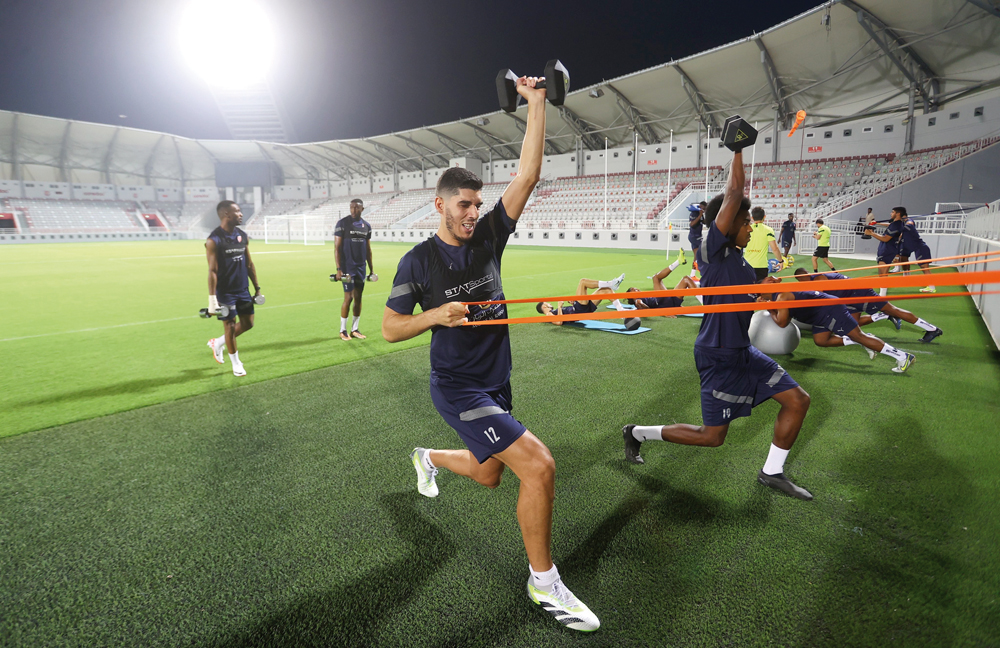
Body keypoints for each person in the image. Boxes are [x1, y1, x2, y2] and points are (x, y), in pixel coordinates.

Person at [382, 76, 599, 632]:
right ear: (440, 204)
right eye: (464, 204)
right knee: (540, 466)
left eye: (478, 203)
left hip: (496, 380)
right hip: (456, 386)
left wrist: (537, 103)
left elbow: (528, 174)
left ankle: (428, 457)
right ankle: (544, 583)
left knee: (487, 476)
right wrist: (435, 315)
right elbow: (389, 328)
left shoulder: (488, 239)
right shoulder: (417, 262)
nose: (473, 212)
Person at [621, 145, 814, 501]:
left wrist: (760, 290)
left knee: (798, 400)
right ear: (726, 226)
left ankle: (772, 472)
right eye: (744, 224)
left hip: (742, 351)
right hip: (718, 355)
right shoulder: (711, 249)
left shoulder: (739, 261)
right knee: (713, 437)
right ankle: (637, 433)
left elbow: (736, 298)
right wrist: (739, 149)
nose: (749, 230)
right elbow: (734, 193)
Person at [761, 286, 916, 373]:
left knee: (859, 336)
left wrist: (768, 308)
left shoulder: (781, 296)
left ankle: (903, 356)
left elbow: (781, 323)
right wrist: (771, 306)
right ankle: (861, 339)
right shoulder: (778, 296)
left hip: (829, 310)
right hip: (819, 315)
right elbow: (786, 318)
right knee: (821, 340)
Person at [792, 268, 943, 343]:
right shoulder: (814, 278)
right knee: (853, 324)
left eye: (801, 281)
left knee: (893, 310)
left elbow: (820, 294)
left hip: (859, 293)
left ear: (803, 276)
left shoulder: (818, 278)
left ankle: (933, 329)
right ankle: (882, 315)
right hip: (849, 298)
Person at [205, 200, 261, 377]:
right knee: (229, 326)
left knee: (248, 324)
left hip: (243, 289)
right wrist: (212, 299)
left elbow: (250, 264)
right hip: (225, 293)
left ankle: (218, 342)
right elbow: (212, 271)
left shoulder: (242, 236)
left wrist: (257, 288)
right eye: (237, 211)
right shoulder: (214, 240)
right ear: (226, 214)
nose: (241, 214)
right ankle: (236, 363)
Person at [334, 199, 374, 340]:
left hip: (361, 268)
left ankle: (355, 329)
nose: (353, 210)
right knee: (349, 297)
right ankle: (342, 330)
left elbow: (368, 249)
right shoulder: (342, 224)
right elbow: (337, 248)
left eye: (356, 208)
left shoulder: (366, 226)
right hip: (347, 268)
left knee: (358, 298)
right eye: (351, 207)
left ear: (362, 209)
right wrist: (339, 269)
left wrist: (371, 270)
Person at [624, 250, 701, 312]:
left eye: (636, 288)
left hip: (670, 300)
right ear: (632, 296)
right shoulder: (638, 301)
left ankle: (703, 301)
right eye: (634, 290)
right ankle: (678, 262)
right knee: (656, 278)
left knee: (686, 279)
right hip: (662, 302)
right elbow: (646, 309)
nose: (637, 289)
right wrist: (663, 312)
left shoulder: (644, 296)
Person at [535, 273, 626, 323]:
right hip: (579, 310)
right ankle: (611, 283)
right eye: (547, 303)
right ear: (544, 307)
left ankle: (621, 311)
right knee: (582, 282)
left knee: (606, 290)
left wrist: (573, 303)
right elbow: (559, 322)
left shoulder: (553, 312)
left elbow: (567, 313)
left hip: (580, 308)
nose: (549, 303)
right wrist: (559, 307)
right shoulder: (548, 315)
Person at [864, 208, 905, 297]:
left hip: (887, 249)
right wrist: (877, 223)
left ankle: (882, 295)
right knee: (882, 273)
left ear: (898, 214)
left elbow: (886, 239)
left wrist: (872, 234)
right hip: (888, 249)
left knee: (883, 273)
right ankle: (882, 294)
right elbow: (889, 225)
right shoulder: (897, 224)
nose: (891, 213)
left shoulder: (896, 225)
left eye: (893, 212)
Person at [897, 208, 936, 293]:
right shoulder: (904, 225)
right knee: (924, 268)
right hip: (918, 249)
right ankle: (931, 286)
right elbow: (893, 226)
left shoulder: (909, 222)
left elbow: (910, 224)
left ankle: (932, 287)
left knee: (925, 268)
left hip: (921, 248)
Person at [746, 207, 784, 282]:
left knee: (748, 290)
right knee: (761, 291)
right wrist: (780, 261)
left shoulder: (747, 229)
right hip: (761, 266)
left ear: (752, 218)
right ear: (764, 217)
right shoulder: (768, 230)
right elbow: (775, 248)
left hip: (747, 265)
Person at [688, 201, 707, 278]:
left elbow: (704, 222)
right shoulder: (694, 213)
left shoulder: (701, 214)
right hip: (694, 237)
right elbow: (692, 224)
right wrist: (700, 215)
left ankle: (692, 275)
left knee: (696, 255)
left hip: (697, 236)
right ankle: (702, 269)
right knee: (703, 252)